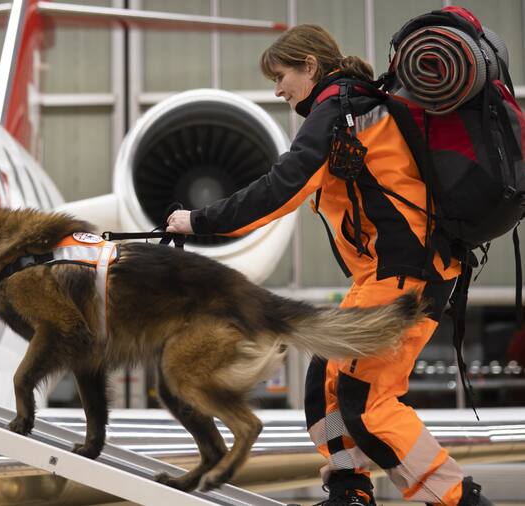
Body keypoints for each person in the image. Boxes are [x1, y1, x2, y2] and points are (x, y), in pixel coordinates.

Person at [166, 24, 492, 506]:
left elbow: (282, 187)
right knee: (326, 384)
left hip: (403, 275)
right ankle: (349, 489)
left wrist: (199, 221)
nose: (277, 89)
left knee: (368, 403)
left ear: (310, 67)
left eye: (280, 76)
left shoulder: (339, 109)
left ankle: (461, 499)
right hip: (384, 276)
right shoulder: (353, 106)